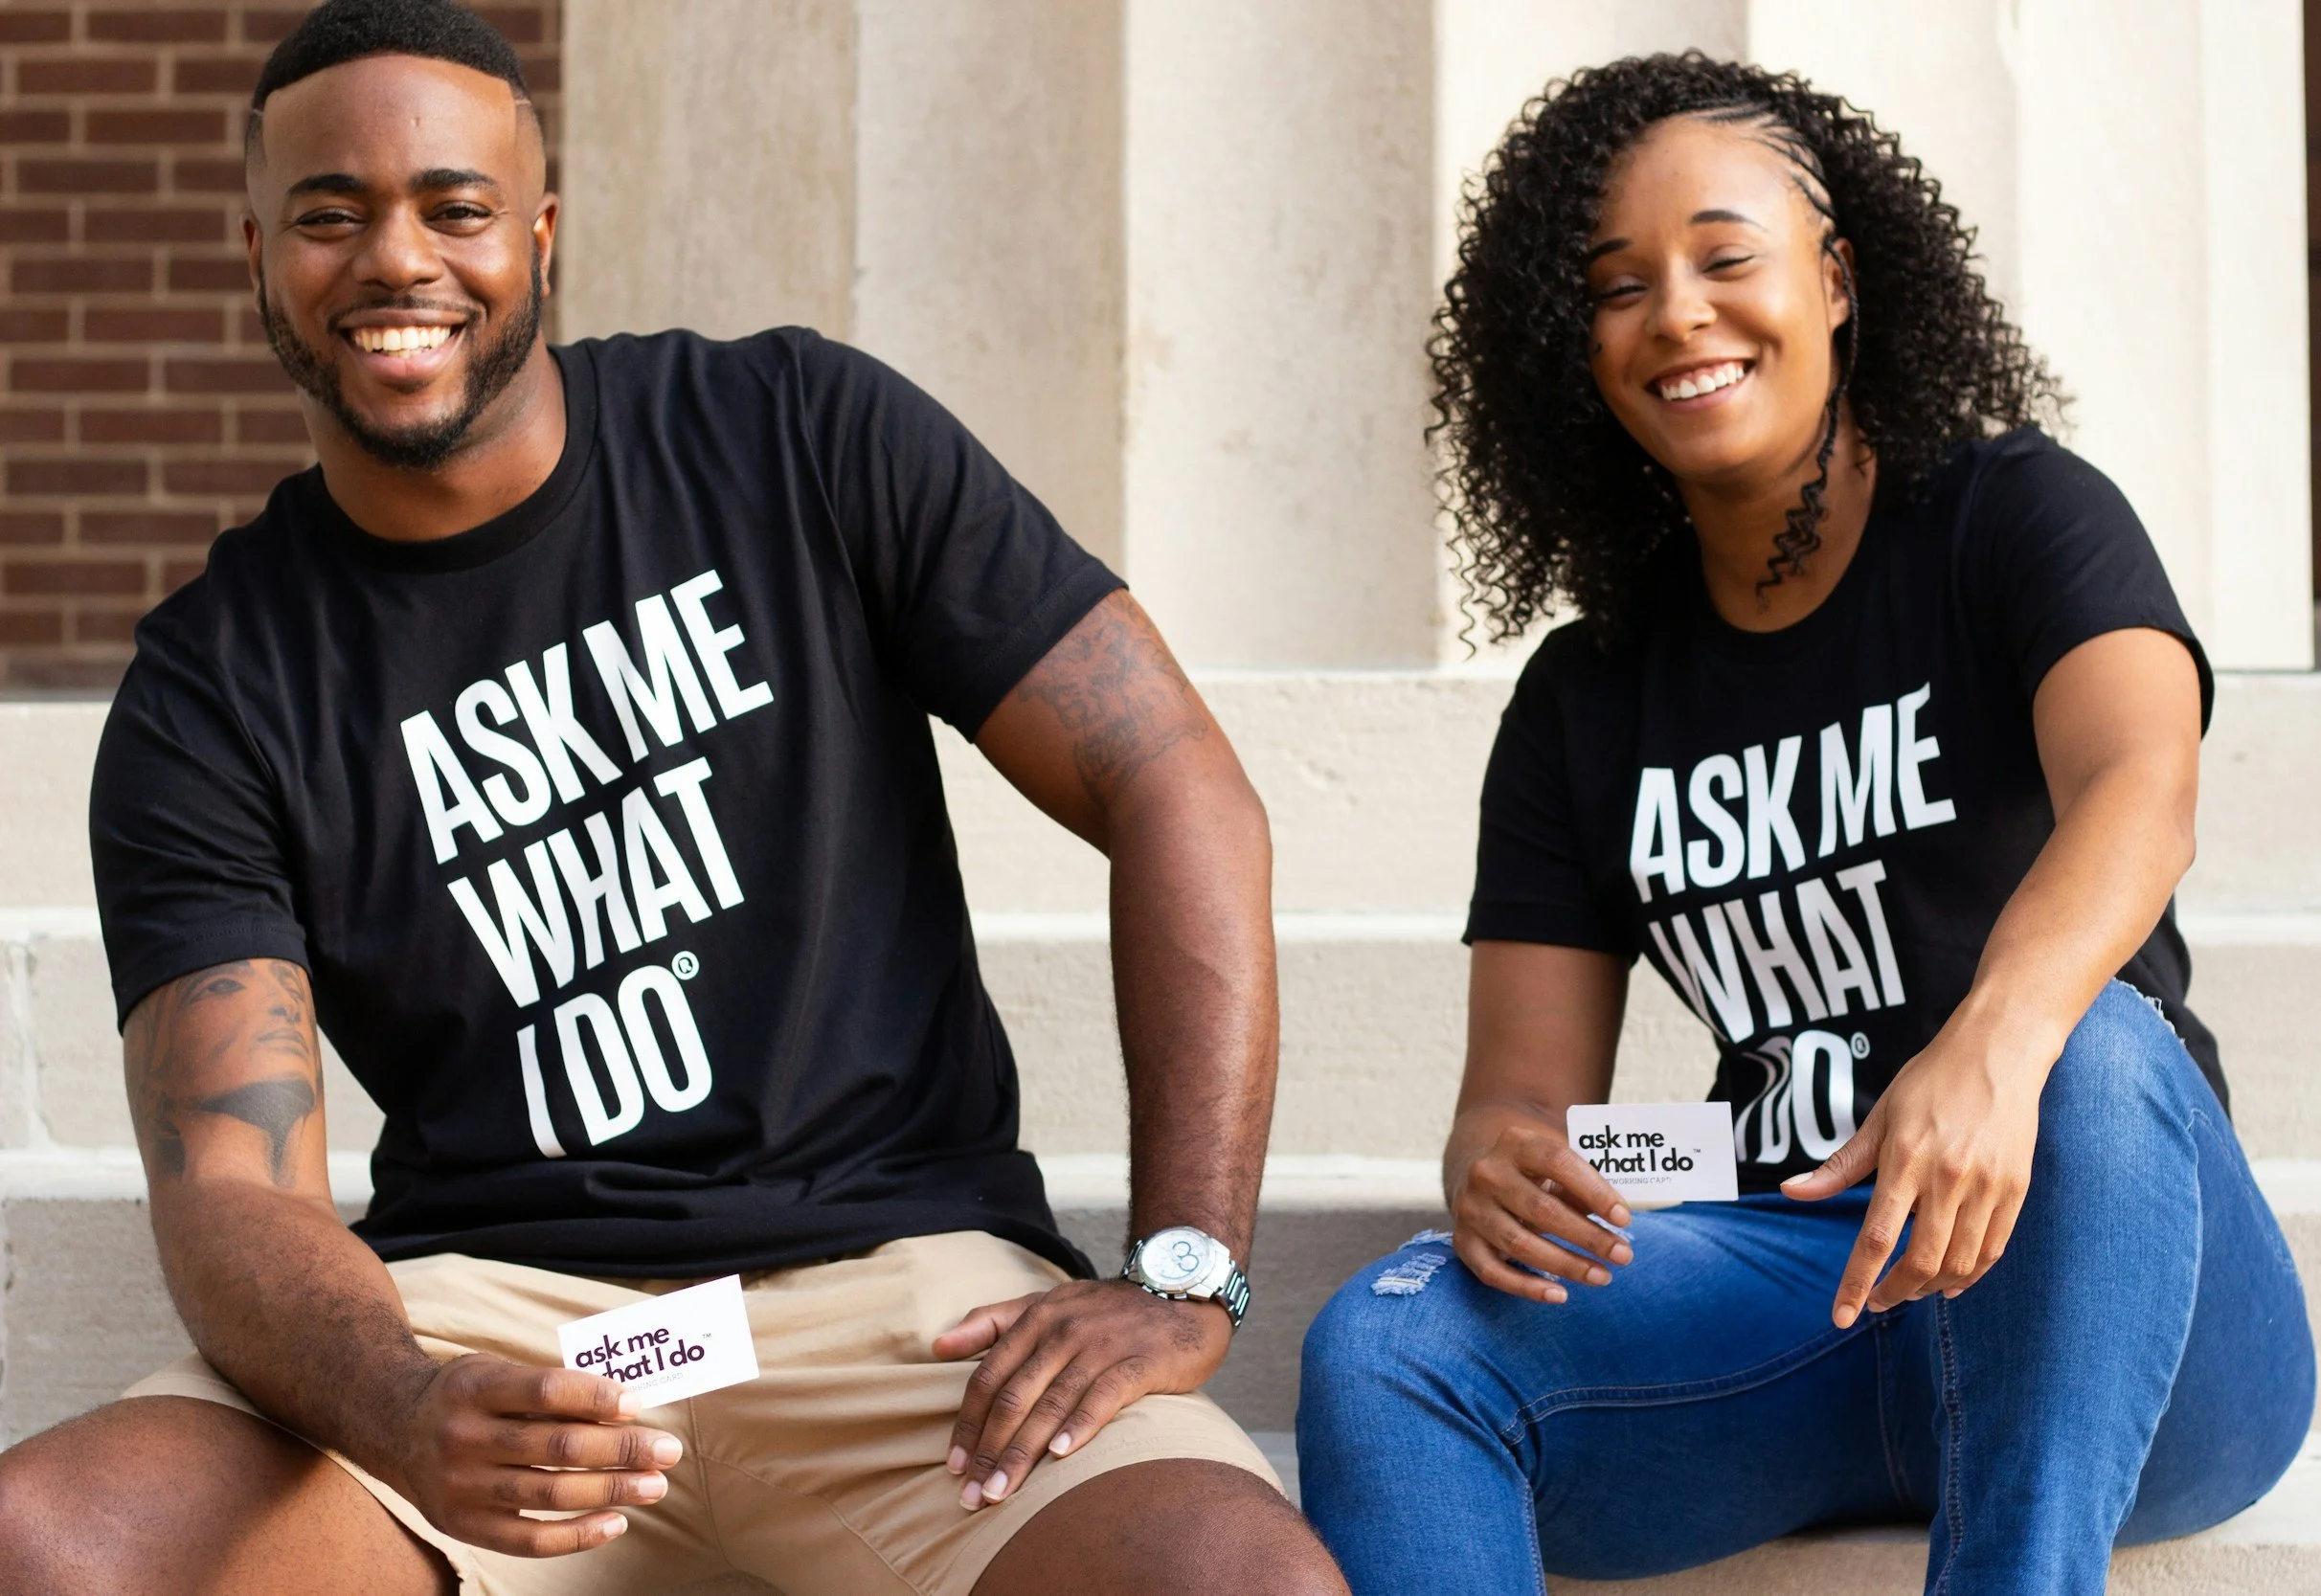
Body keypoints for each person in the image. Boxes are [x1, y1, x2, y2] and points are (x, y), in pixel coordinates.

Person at [0, 5, 1349, 1594]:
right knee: (56, 1544)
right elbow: (235, 1182)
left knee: (1236, 1583)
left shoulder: (793, 435)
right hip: (485, 1326)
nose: (394, 261)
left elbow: (1171, 771)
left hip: (906, 1305)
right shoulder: (215, 684)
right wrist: (404, 1396)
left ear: (541, 232)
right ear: (257, 253)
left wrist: (1188, 1263)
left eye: (455, 205)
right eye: (328, 214)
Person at [1296, 53, 2313, 1596]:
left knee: (2102, 1050)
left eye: (1723, 257)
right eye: (1618, 286)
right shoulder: (1587, 698)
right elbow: (1518, 1097)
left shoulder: (2014, 519)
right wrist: (1505, 1161)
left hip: (2118, 1301)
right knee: (1385, 1340)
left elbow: (2142, 795)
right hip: (1801, 1302)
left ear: (1834, 281)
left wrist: (1991, 1043)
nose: (1678, 315)